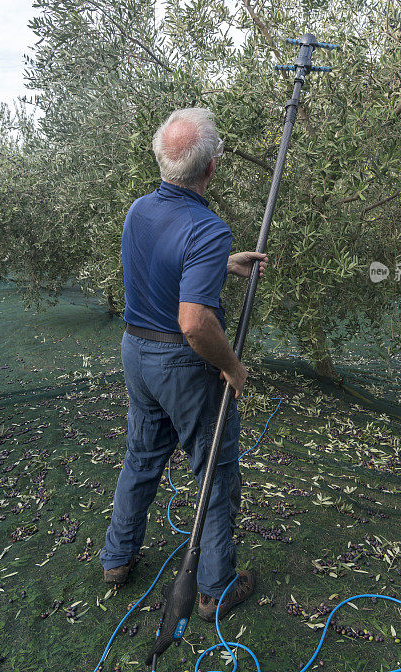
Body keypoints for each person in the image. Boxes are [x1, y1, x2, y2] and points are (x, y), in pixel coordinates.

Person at [99, 107, 268, 622]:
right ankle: (217, 586)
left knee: (142, 456)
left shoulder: (138, 210)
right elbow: (195, 322)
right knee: (215, 472)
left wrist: (219, 262)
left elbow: (163, 260)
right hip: (181, 362)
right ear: (211, 167)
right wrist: (234, 367)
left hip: (136, 352)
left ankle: (116, 559)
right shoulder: (208, 226)